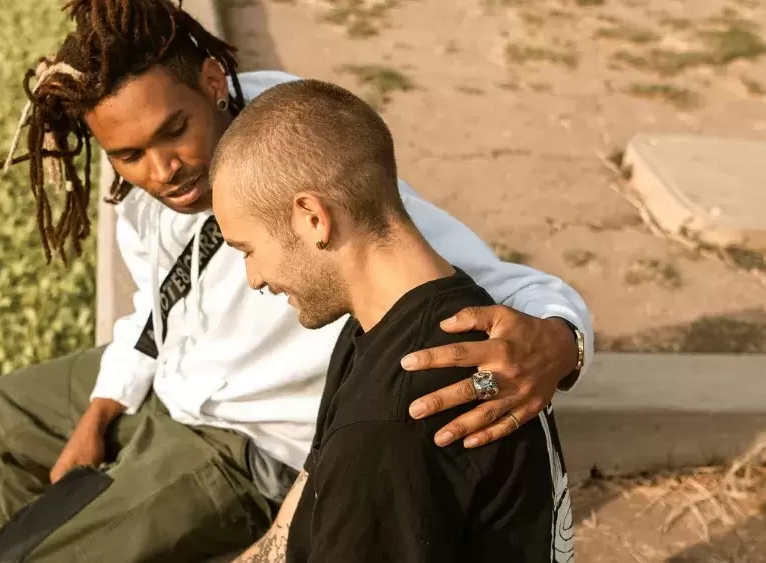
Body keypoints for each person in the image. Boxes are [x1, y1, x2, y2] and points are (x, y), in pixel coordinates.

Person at [0, 0, 592, 560]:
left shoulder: (298, 156)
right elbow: (154, 305)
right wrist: (100, 412)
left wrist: (561, 343)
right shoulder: (140, 195)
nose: (162, 170)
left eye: (173, 132)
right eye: (129, 155)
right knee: (6, 411)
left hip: (242, 442)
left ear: (213, 85)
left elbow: (449, 276)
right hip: (179, 381)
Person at [210, 78, 575, 563]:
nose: (253, 278)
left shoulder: (388, 424)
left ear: (312, 218)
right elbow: (290, 526)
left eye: (248, 250)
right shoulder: (418, 316)